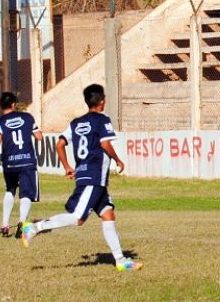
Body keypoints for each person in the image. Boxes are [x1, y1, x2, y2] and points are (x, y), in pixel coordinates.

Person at [21, 84, 142, 271]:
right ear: (102, 101)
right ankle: (34, 228)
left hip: (89, 176)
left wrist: (67, 167)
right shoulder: (102, 120)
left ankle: (120, 261)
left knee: (108, 214)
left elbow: (59, 144)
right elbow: (105, 144)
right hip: (94, 176)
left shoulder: (76, 123)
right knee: (77, 218)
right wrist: (118, 160)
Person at [0, 92, 43, 238]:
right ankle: (22, 221)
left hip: (9, 162)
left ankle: (4, 224)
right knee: (26, 193)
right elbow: (39, 136)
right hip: (27, 161)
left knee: (10, 190)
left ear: (1, 106)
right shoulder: (27, 117)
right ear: (14, 104)